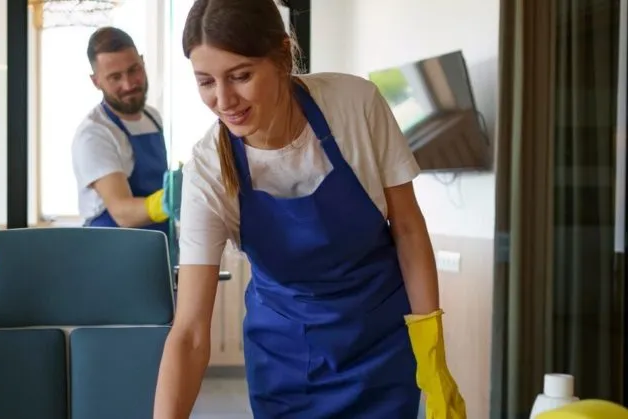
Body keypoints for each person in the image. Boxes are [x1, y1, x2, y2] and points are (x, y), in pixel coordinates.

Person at [152, 1, 466, 418]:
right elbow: (190, 333)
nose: (224, 100)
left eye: (241, 76)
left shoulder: (354, 104)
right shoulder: (208, 170)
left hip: (380, 350)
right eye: (206, 81)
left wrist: (432, 354)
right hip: (286, 365)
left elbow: (407, 228)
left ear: (283, 56)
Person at [72, 26, 181, 235]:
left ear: (142, 62)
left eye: (134, 70)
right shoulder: (94, 134)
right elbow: (122, 212)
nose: (129, 84)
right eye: (115, 77)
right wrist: (169, 201)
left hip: (157, 242)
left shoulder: (153, 118)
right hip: (112, 252)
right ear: (96, 82)